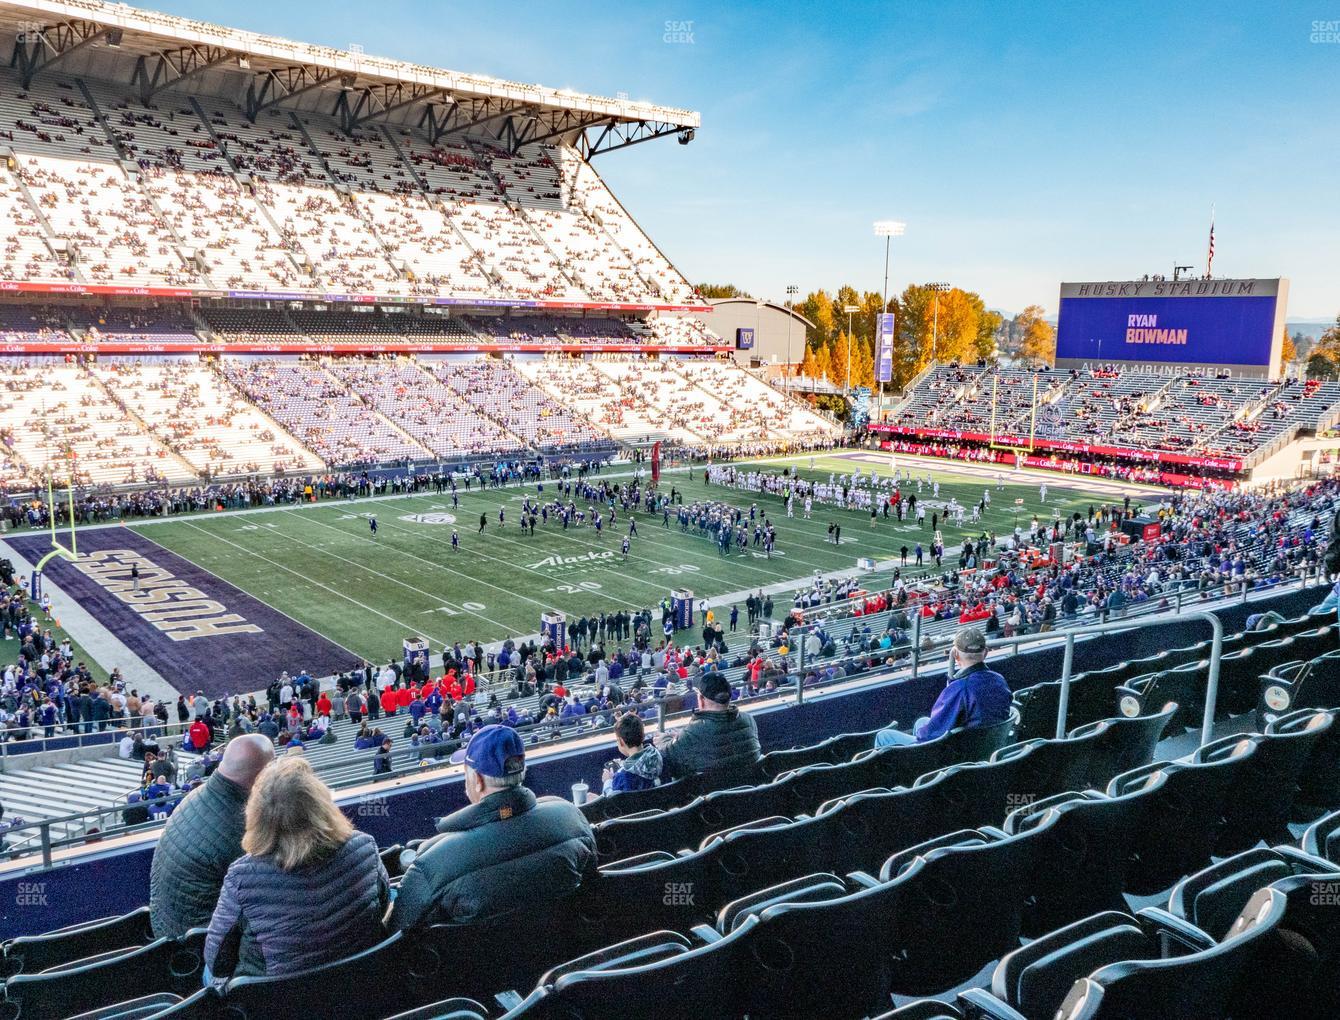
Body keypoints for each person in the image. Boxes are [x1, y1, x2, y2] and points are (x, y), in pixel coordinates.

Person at [388, 725, 596, 929]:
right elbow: (592, 887)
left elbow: (397, 930)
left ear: (477, 780)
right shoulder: (571, 817)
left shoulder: (431, 862)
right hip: (569, 957)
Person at [204, 757, 388, 978]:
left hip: (282, 1001)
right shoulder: (364, 846)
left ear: (256, 815)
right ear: (322, 803)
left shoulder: (241, 877)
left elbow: (216, 962)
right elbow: (383, 905)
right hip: (363, 982)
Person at [149, 735, 275, 938]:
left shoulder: (196, 797)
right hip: (197, 947)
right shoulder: (240, 826)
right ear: (261, 775)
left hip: (168, 930)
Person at [874, 628, 1011, 746]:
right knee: (921, 721)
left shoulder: (960, 688)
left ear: (956, 655)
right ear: (986, 652)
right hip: (987, 744)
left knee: (884, 736)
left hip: (956, 753)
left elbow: (931, 733)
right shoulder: (999, 679)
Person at [656, 672, 760, 780]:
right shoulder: (748, 720)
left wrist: (663, 739)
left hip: (712, 794)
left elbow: (667, 753)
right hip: (749, 790)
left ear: (701, 699)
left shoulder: (695, 731)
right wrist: (681, 735)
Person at [600, 713, 663, 795]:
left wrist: (607, 782)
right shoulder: (661, 757)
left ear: (621, 741)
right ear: (643, 736)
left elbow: (611, 801)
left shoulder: (622, 777)